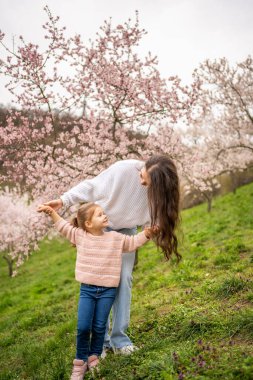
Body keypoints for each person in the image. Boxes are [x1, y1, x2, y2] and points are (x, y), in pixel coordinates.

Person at [44, 155, 181, 355]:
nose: (142, 182)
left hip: (125, 232)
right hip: (99, 230)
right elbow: (92, 186)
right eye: (143, 175)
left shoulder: (161, 194)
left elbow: (160, 218)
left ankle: (120, 340)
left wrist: (154, 228)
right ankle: (102, 343)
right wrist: (63, 200)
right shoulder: (124, 170)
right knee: (99, 283)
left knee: (123, 278)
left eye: (148, 183)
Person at [38, 202, 157, 379]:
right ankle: (80, 363)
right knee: (84, 326)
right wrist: (51, 212)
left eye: (104, 213)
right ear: (88, 224)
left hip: (108, 291)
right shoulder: (80, 236)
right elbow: (63, 226)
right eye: (100, 215)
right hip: (87, 290)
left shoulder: (115, 238)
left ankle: (94, 358)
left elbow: (132, 243)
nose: (105, 216)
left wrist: (147, 234)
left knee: (100, 326)